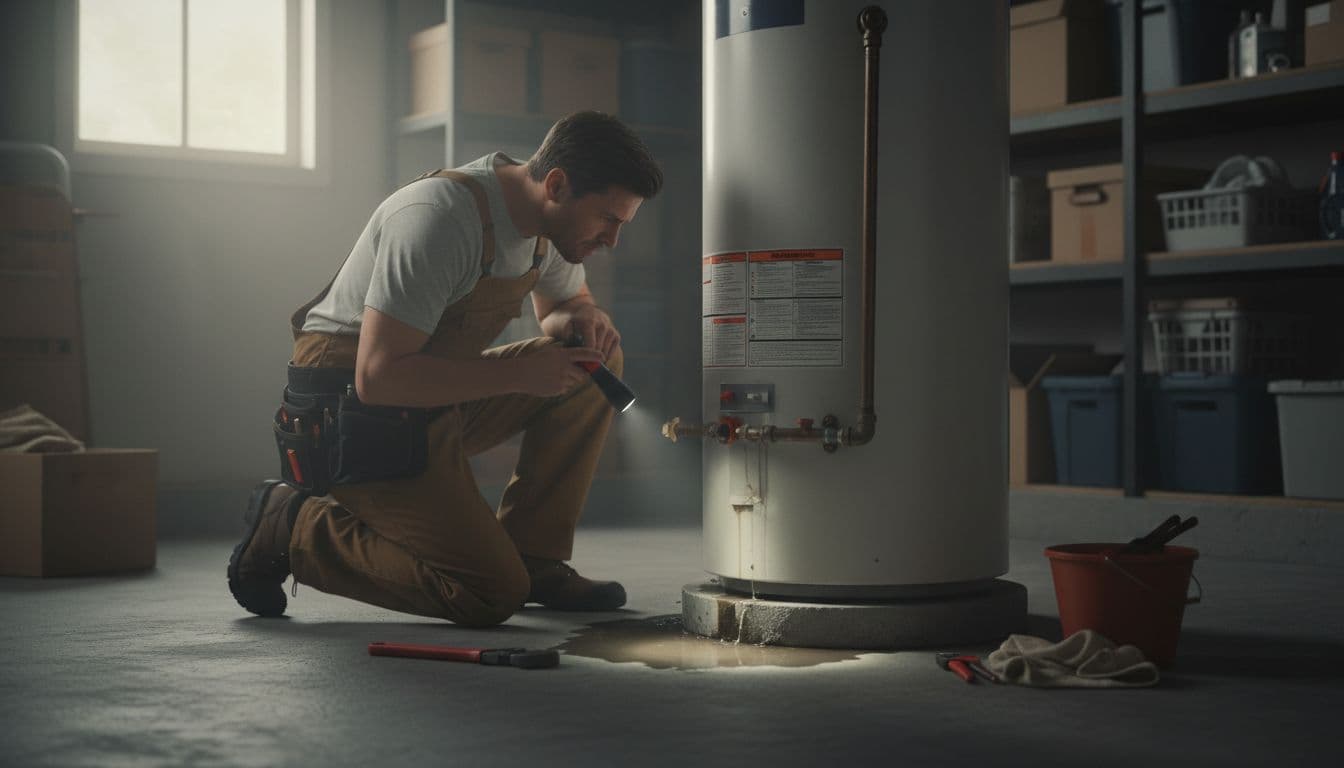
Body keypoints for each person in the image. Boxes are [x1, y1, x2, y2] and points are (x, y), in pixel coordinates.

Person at [227, 111, 662, 626]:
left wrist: (584, 318)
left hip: (428, 401)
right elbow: (379, 377)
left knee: (596, 363)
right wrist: (519, 375)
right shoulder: (440, 218)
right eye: (608, 220)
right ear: (558, 184)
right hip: (351, 417)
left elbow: (563, 307)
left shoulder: (549, 227)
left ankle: (534, 558)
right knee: (488, 594)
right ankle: (294, 527)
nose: (611, 240)